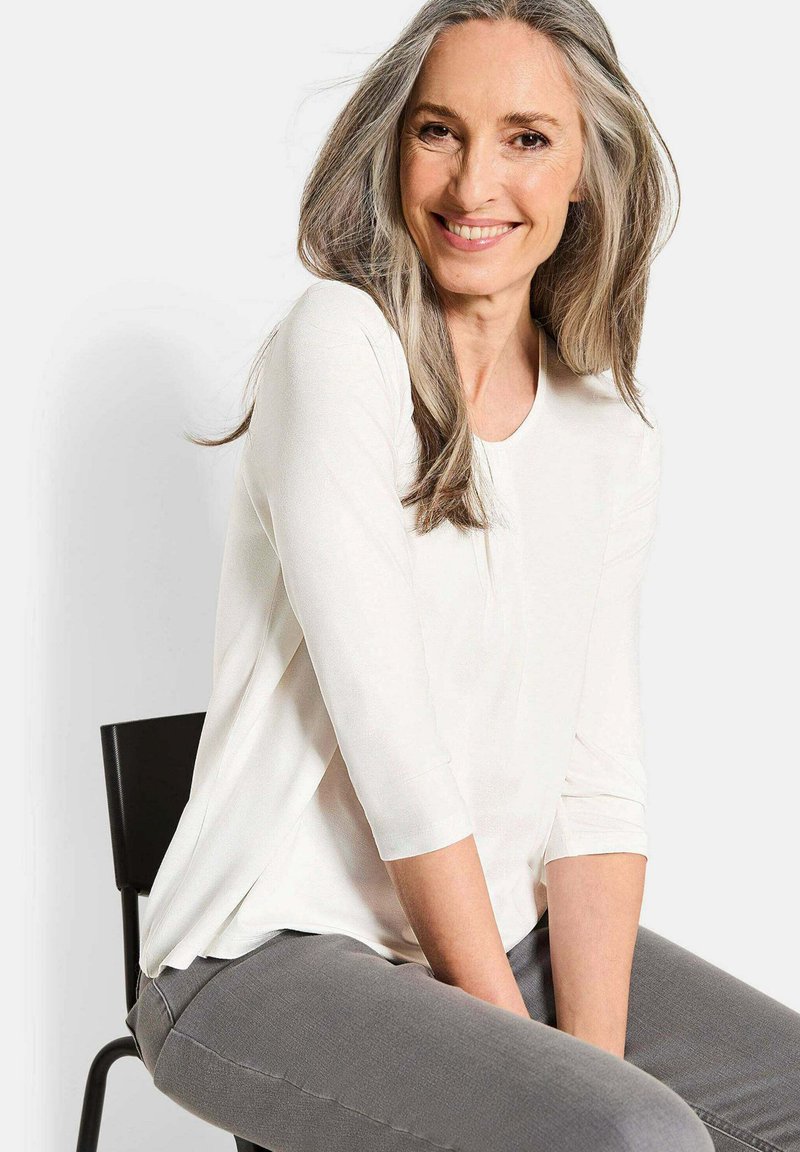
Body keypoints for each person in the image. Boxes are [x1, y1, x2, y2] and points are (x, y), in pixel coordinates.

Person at [125, 2, 800, 1150]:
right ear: (392, 148)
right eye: (437, 131)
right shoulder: (339, 344)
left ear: (586, 167)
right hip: (260, 954)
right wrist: (545, 1073)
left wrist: (578, 1060)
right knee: (626, 1137)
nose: (472, 182)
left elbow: (592, 785)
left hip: (505, 933)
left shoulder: (605, 430)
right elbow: (396, 752)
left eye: (525, 138)